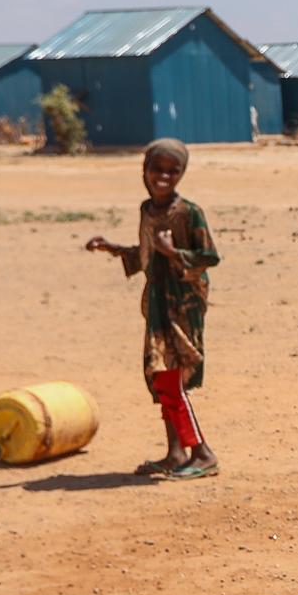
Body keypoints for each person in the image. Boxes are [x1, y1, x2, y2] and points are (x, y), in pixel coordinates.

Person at [82, 139, 221, 479]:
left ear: (182, 174)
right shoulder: (147, 209)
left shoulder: (189, 212)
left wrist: (174, 253)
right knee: (161, 378)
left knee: (172, 378)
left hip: (183, 304)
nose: (163, 177)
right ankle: (175, 452)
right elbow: (148, 256)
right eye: (157, 169)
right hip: (157, 301)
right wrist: (114, 249)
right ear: (144, 170)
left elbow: (209, 257)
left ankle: (202, 453)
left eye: (173, 171)